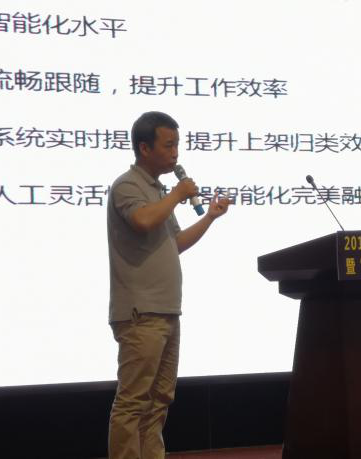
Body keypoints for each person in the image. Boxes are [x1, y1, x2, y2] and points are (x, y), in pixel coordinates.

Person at [107, 111, 230, 459]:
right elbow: (143, 221)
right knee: (133, 401)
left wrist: (210, 217)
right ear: (145, 148)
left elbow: (175, 242)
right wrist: (177, 193)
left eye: (177, 145)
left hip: (166, 310)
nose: (176, 153)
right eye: (169, 145)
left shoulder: (158, 191)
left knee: (159, 399)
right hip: (140, 313)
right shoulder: (128, 185)